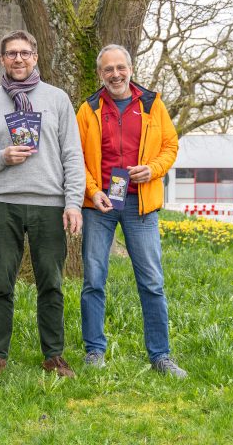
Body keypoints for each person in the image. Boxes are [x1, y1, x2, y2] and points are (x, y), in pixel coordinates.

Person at [0, 30, 85, 379]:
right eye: (11, 53)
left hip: (49, 204)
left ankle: (54, 356)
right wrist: (1, 157)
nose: (18, 59)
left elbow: (72, 155)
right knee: (0, 281)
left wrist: (73, 202)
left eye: (25, 53)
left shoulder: (58, 99)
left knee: (51, 281)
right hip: (4, 203)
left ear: (35, 57)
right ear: (2, 59)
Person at [76, 44, 187, 378]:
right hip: (100, 206)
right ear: (100, 74)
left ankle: (161, 356)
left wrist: (152, 170)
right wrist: (93, 193)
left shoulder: (153, 105)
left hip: (141, 205)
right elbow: (75, 157)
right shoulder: (88, 109)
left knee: (152, 281)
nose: (115, 74)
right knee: (93, 280)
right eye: (108, 69)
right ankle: (94, 351)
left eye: (120, 67)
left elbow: (171, 146)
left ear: (131, 69)